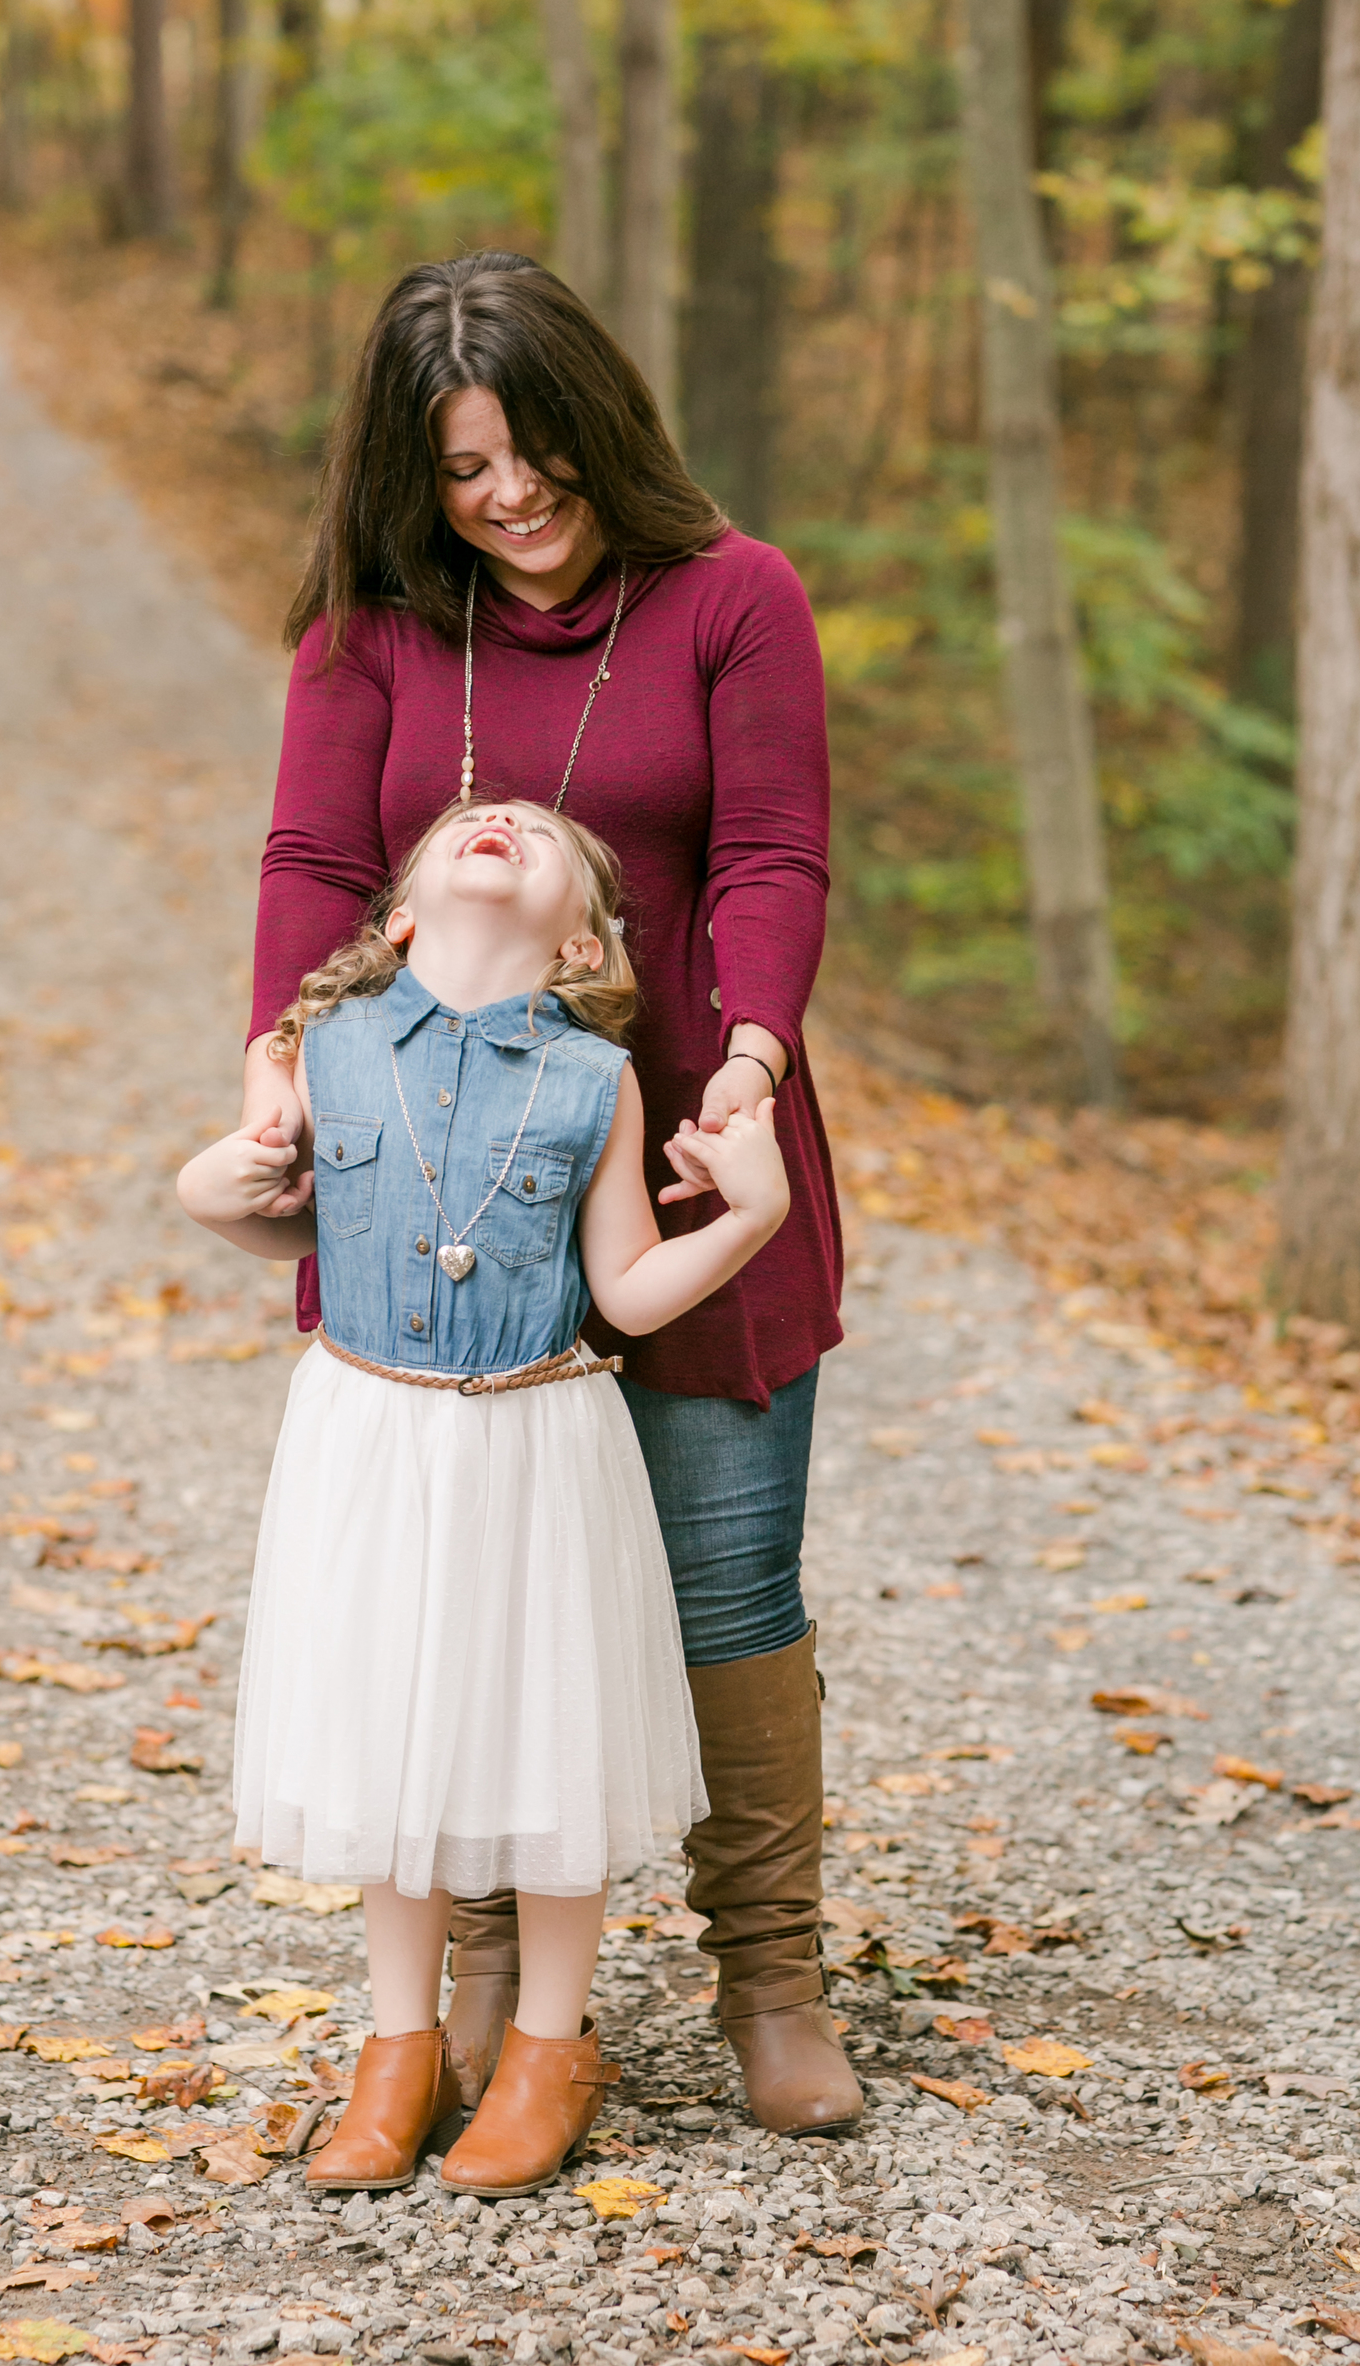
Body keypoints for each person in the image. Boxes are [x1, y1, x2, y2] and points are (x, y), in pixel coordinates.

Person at [238, 249, 861, 2138]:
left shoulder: (730, 599)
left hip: (681, 1148)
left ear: (601, 429)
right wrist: (274, 1064)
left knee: (728, 1580)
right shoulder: (370, 634)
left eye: (533, 455)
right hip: (435, 1174)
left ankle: (770, 1972)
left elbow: (771, 854)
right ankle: (488, 1991)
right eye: (457, 470)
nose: (503, 498)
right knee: (462, 1575)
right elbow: (307, 858)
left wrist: (742, 1071)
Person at [177, 795, 791, 2195]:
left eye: (534, 829)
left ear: (580, 938)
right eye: (469, 819)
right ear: (398, 918)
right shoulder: (323, 1050)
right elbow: (277, 1216)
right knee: (391, 1730)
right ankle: (394, 2050)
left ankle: (547, 2049)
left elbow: (628, 1286)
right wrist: (203, 1191)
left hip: (534, 1432)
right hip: (368, 1432)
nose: (499, 818)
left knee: (539, 1727)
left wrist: (748, 1215)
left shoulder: (596, 1079)